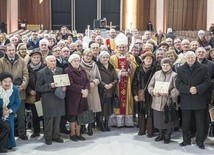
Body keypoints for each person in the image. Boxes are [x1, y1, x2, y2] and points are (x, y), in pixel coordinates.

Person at [175, 51, 211, 149]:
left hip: (199, 99)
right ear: (185, 59)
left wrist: (198, 89)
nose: (190, 59)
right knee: (185, 122)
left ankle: (200, 141)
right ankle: (186, 140)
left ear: (195, 58)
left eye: (192, 57)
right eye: (188, 58)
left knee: (200, 123)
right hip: (186, 99)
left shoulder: (203, 68)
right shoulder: (180, 69)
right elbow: (178, 84)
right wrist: (188, 89)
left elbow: (207, 82)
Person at [0, 43, 29, 140]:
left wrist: (23, 85)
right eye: (9, 50)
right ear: (6, 51)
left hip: (20, 91)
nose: (11, 52)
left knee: (21, 115)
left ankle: (22, 133)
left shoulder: (22, 61)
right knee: (6, 115)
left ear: (15, 50)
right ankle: (8, 135)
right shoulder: (1, 61)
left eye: (13, 50)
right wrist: (6, 87)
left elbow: (25, 74)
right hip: (5, 93)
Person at [148, 58, 179, 144]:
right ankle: (161, 134)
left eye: (167, 65)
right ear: (161, 65)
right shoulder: (156, 74)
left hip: (169, 102)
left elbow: (178, 89)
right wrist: (153, 92)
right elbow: (150, 86)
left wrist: (168, 93)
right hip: (157, 101)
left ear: (170, 66)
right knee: (159, 120)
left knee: (169, 120)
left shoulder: (174, 75)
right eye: (163, 65)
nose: (165, 67)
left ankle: (168, 135)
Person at [36, 55, 65, 145]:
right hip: (48, 98)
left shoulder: (60, 70)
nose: (53, 62)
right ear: (46, 62)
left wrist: (64, 86)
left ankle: (56, 136)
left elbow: (64, 81)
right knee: (49, 119)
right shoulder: (41, 72)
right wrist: (50, 85)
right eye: (51, 61)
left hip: (59, 97)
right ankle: (48, 137)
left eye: (54, 61)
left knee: (58, 118)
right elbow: (38, 87)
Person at [109, 33, 137, 127]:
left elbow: (135, 68)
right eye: (120, 47)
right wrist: (120, 72)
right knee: (118, 102)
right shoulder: (112, 58)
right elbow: (111, 70)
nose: (122, 49)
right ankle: (118, 122)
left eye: (124, 47)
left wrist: (129, 64)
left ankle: (128, 122)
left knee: (128, 101)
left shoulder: (131, 57)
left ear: (126, 47)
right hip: (118, 83)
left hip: (128, 83)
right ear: (117, 47)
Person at [64, 53, 90, 141]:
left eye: (78, 60)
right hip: (72, 97)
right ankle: (72, 134)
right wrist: (81, 90)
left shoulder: (82, 70)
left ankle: (78, 133)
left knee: (80, 115)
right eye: (74, 61)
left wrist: (86, 90)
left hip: (82, 96)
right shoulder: (67, 70)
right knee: (72, 116)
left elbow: (87, 81)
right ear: (70, 62)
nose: (76, 62)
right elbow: (70, 84)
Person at [132, 51, 156, 137]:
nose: (149, 60)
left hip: (151, 94)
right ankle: (141, 130)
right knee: (141, 112)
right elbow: (134, 82)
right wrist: (135, 94)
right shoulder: (138, 69)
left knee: (150, 112)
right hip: (140, 93)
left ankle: (150, 131)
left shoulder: (155, 68)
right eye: (147, 58)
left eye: (150, 59)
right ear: (143, 60)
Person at [81, 49, 102, 135]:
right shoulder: (80, 65)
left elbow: (99, 78)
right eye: (87, 56)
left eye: (90, 56)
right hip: (84, 89)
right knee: (83, 109)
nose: (88, 57)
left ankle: (90, 127)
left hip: (93, 89)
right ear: (83, 56)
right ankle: (82, 126)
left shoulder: (94, 65)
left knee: (92, 109)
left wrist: (94, 82)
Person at [26, 49, 45, 138]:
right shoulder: (27, 67)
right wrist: (29, 90)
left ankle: (46, 130)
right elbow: (25, 81)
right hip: (33, 95)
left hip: (43, 94)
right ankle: (36, 131)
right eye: (34, 57)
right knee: (35, 114)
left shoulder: (44, 67)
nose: (36, 59)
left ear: (40, 58)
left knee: (44, 113)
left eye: (38, 57)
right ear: (31, 58)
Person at [97, 51, 118, 132]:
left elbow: (116, 79)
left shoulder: (112, 67)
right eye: (103, 57)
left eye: (106, 57)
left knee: (108, 109)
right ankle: (101, 125)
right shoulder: (97, 67)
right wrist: (104, 85)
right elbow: (97, 78)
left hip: (110, 91)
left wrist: (112, 84)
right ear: (100, 58)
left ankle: (106, 124)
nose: (105, 59)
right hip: (101, 91)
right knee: (101, 109)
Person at [0, 72, 21, 150]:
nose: (8, 84)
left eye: (9, 81)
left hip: (9, 112)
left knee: (9, 125)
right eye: (5, 82)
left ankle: (8, 144)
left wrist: (9, 110)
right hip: (0, 112)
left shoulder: (14, 89)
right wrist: (2, 110)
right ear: (1, 82)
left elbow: (17, 102)